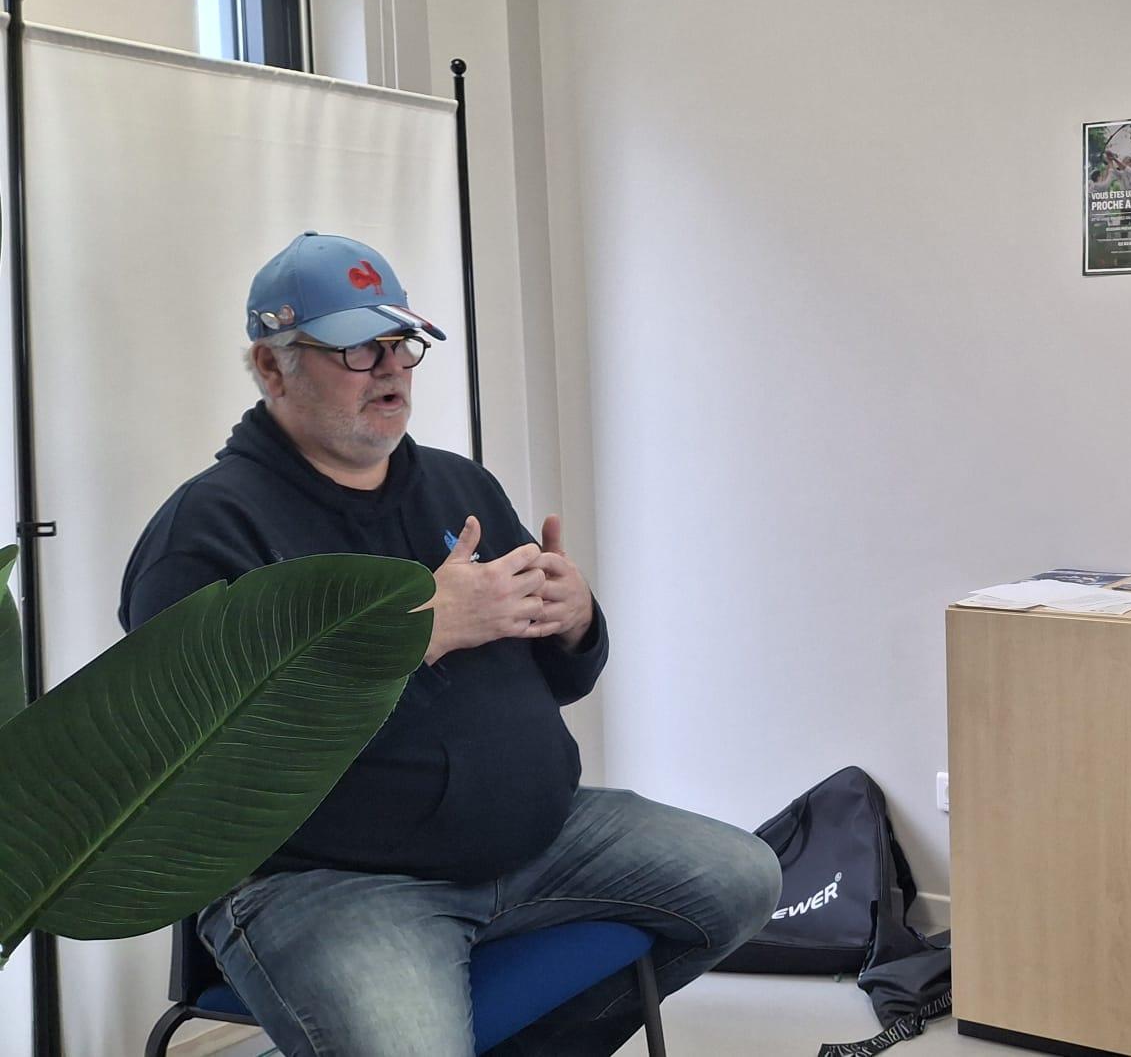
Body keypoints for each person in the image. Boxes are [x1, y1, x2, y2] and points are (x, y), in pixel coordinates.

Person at [120, 231, 781, 1057]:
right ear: (271, 367)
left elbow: (557, 677)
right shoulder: (208, 530)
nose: (391, 370)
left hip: (540, 842)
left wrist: (575, 621)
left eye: (401, 344)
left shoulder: (458, 484)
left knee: (744, 877)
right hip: (328, 882)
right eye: (357, 349)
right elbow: (194, 762)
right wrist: (418, 636)